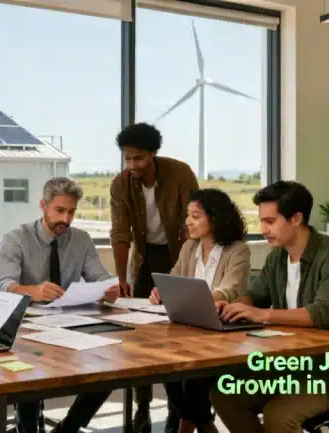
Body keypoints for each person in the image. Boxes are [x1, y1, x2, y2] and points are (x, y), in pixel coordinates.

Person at [210, 181, 329, 433]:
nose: (263, 229)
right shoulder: (278, 256)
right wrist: (230, 307)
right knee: (225, 395)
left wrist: (263, 314)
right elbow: (255, 295)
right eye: (261, 221)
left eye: (270, 222)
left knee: (279, 415)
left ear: (296, 218)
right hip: (291, 364)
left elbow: (323, 314)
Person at [0, 176, 119, 433]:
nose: (66, 219)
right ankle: (26, 429)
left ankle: (69, 428)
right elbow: (1, 285)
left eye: (71, 212)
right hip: (26, 330)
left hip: (69, 325)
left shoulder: (81, 239)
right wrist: (34, 291)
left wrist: (110, 288)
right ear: (43, 205)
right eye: (59, 211)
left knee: (112, 370)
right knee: (29, 369)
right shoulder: (15, 238)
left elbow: (100, 277)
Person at [109, 122, 199, 433]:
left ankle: (179, 409)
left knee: (177, 339)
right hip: (144, 260)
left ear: (153, 154)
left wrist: (188, 266)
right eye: (127, 159)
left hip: (179, 255)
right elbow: (120, 232)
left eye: (138, 158)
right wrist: (122, 278)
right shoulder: (120, 185)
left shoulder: (180, 173)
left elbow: (194, 223)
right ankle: (142, 407)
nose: (132, 165)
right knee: (138, 338)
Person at [148, 188, 250, 433]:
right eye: (188, 215)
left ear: (214, 218)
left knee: (195, 373)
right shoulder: (189, 248)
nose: (188, 222)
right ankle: (203, 425)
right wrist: (160, 292)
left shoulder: (237, 249)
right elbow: (173, 279)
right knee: (164, 365)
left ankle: (194, 426)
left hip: (223, 334)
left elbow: (230, 288)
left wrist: (197, 298)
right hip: (189, 330)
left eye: (195, 216)